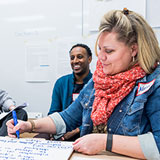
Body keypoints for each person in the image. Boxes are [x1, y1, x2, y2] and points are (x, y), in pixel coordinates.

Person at [7, 8, 160, 159]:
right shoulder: (99, 81)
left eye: (109, 51)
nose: (101, 57)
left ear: (134, 49)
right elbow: (67, 118)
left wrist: (105, 142)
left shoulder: (154, 84)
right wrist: (30, 126)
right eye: (99, 49)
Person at [46, 43, 92, 140]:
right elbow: (53, 112)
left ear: (89, 59)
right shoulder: (61, 83)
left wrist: (75, 131)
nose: (75, 61)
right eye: (72, 58)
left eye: (80, 57)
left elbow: (95, 119)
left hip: (88, 135)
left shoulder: (97, 84)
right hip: (61, 132)